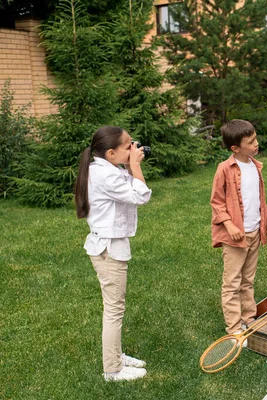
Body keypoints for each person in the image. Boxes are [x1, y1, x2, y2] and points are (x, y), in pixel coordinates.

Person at [74, 126, 152, 381]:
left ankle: (115, 355)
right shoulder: (107, 176)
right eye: (128, 145)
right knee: (114, 310)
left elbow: (129, 187)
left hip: (108, 246)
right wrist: (136, 167)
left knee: (114, 307)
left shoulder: (106, 169)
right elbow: (141, 195)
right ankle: (112, 369)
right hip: (109, 249)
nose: (133, 148)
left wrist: (130, 166)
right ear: (110, 152)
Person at [211, 119, 267, 335]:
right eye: (251, 142)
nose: (256, 144)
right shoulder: (225, 170)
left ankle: (249, 319)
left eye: (255, 139)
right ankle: (234, 329)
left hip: (255, 231)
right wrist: (229, 225)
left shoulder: (256, 167)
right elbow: (217, 202)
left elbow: (258, 198)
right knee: (232, 283)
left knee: (248, 280)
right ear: (235, 148)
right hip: (235, 237)